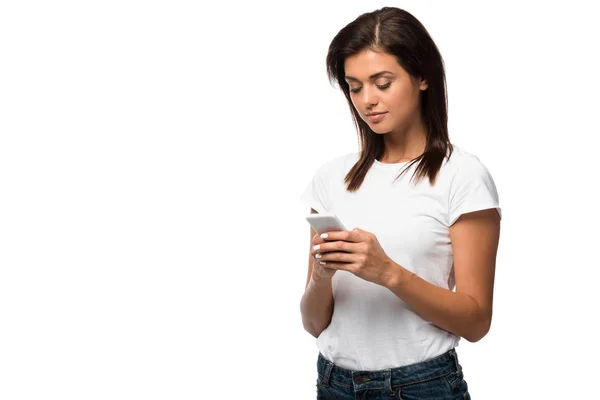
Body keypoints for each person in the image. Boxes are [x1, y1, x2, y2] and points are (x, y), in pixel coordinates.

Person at [299, 7, 501, 399]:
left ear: (422, 76)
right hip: (333, 384)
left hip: (421, 386)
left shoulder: (461, 175)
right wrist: (322, 278)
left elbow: (476, 322)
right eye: (355, 87)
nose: (366, 100)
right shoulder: (330, 178)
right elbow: (313, 323)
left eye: (382, 82)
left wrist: (387, 272)